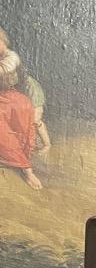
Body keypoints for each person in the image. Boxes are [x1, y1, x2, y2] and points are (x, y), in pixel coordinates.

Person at [0, 26, 44, 190]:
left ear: (4, 41)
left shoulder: (12, 57)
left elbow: (4, 71)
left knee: (23, 107)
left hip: (12, 97)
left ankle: (26, 169)